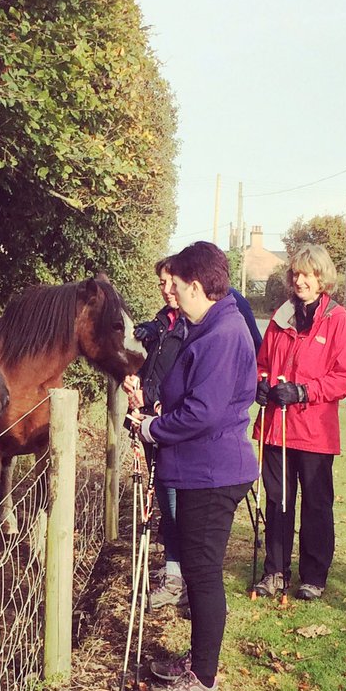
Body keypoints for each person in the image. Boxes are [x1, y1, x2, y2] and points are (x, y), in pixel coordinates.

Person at [128, 241, 258, 691]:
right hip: (201, 466)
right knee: (200, 572)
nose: (175, 294)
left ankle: (203, 679)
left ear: (197, 286)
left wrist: (152, 428)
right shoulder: (211, 325)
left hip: (212, 471)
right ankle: (198, 662)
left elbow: (204, 412)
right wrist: (157, 407)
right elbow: (194, 397)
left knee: (202, 574)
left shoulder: (223, 334)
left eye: (179, 286)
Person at [252, 245, 346, 600]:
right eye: (296, 274)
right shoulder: (281, 316)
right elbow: (262, 362)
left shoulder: (337, 319)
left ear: (321, 277)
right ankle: (275, 571)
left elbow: (343, 378)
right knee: (277, 501)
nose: (301, 281)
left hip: (314, 430)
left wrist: (303, 391)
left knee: (316, 504)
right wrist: (261, 383)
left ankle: (314, 576)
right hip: (276, 427)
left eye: (308, 274)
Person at [123, 260, 189, 608]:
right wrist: (135, 383)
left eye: (170, 282)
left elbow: (180, 381)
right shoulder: (163, 321)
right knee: (165, 501)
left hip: (173, 424)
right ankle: (176, 572)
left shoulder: (192, 326)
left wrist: (149, 397)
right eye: (161, 283)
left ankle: (184, 580)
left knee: (177, 505)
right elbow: (153, 369)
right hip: (152, 422)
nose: (165, 289)